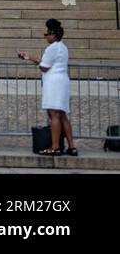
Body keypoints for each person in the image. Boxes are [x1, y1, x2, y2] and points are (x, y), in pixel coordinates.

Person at [22, 18, 75, 156]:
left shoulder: (52, 48)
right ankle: (71, 146)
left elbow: (44, 67)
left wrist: (33, 60)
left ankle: (55, 147)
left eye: (47, 34)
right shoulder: (63, 47)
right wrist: (31, 58)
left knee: (54, 115)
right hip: (62, 81)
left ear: (53, 34)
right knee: (62, 115)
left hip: (53, 83)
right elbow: (47, 63)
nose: (46, 37)